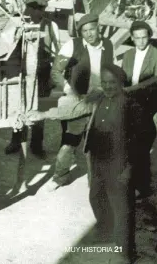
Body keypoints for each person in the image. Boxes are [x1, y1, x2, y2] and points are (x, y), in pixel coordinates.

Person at [25, 64, 138, 263]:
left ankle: (126, 252)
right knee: (96, 197)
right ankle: (105, 235)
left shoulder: (131, 106)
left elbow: (145, 136)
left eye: (113, 83)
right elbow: (74, 110)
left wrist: (130, 166)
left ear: (121, 83)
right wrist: (42, 114)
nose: (108, 86)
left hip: (119, 163)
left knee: (121, 206)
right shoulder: (97, 96)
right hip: (97, 158)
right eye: (105, 82)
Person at [47, 13, 114, 190]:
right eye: (85, 31)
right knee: (70, 142)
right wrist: (69, 90)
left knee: (96, 144)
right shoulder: (72, 45)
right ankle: (60, 177)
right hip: (78, 100)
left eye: (92, 29)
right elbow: (56, 71)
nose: (89, 34)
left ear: (98, 28)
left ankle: (96, 183)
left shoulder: (108, 45)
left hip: (100, 101)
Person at [5, 0, 60, 157]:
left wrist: (54, 75)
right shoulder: (20, 24)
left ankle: (36, 146)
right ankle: (16, 141)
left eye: (38, 10)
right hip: (22, 73)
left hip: (42, 75)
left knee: (39, 111)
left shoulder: (51, 26)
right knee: (19, 106)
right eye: (31, 9)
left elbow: (57, 53)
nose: (34, 13)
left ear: (42, 11)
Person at [120, 20, 157, 199]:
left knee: (141, 146)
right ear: (132, 39)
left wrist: (133, 89)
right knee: (129, 145)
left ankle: (143, 187)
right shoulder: (128, 55)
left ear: (149, 37)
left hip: (147, 105)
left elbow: (154, 80)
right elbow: (123, 78)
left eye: (144, 37)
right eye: (137, 38)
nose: (141, 42)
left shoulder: (156, 54)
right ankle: (133, 183)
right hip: (129, 103)